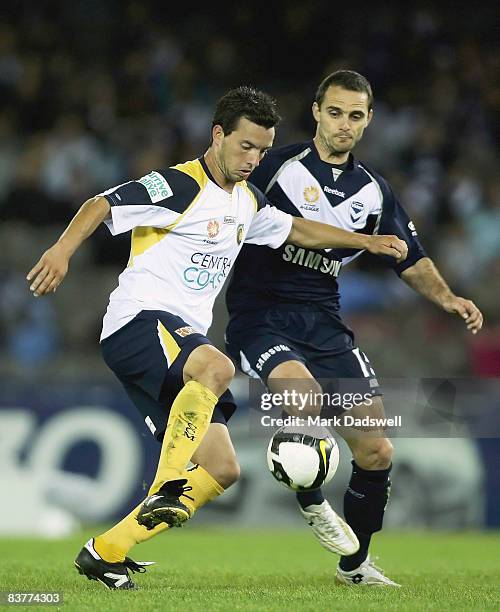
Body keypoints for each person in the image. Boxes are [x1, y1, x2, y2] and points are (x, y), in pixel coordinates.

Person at [27, 85, 408, 590]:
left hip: (179, 348)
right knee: (218, 364)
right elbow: (102, 204)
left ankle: (106, 552)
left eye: (263, 150)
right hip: (140, 321)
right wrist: (61, 251)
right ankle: (166, 484)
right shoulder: (180, 185)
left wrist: (363, 240)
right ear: (218, 134)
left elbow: (297, 230)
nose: (253, 158)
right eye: (245, 146)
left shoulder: (248, 202)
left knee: (223, 469)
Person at [225, 71, 483, 587]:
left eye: (356, 115)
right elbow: (223, 203)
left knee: (377, 450)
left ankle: (356, 563)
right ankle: (312, 499)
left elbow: (409, 257)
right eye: (336, 112)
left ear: (369, 121)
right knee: (300, 397)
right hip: (262, 315)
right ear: (317, 111)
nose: (344, 124)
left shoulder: (373, 190)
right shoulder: (275, 165)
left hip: (324, 324)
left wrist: (448, 297)